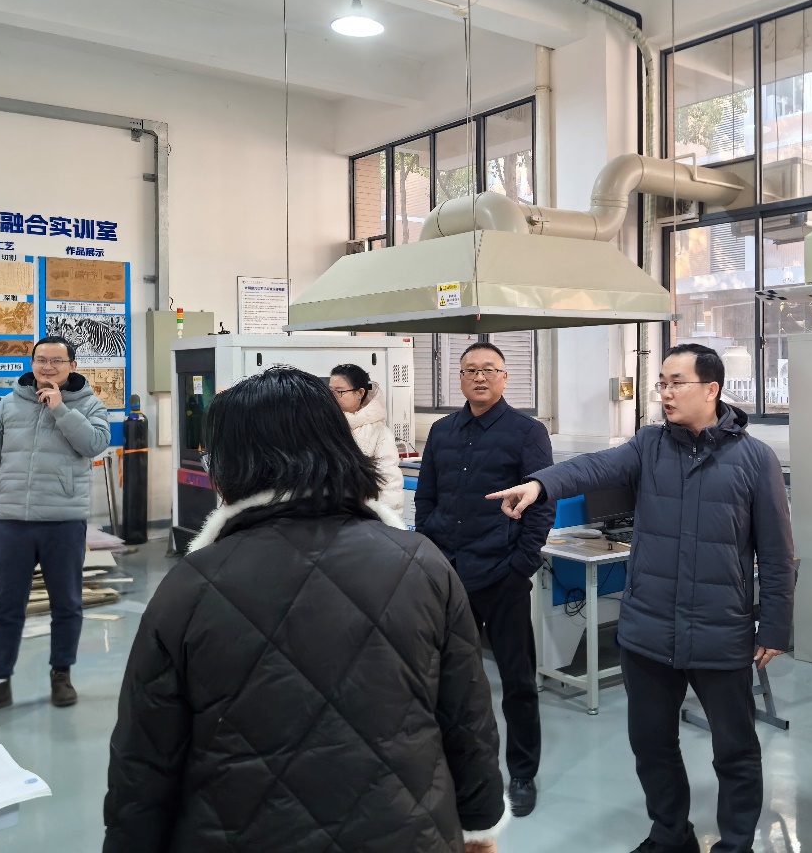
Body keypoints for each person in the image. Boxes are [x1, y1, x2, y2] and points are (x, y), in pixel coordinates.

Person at [103, 366, 509, 853]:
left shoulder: (189, 586)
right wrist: (479, 826)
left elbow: (145, 758)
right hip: (407, 831)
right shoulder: (421, 564)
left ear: (233, 464)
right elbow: (467, 719)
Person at [489, 343, 794, 853]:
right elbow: (592, 468)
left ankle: (736, 844)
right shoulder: (649, 445)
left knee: (735, 750)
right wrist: (541, 485)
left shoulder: (754, 459)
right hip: (648, 630)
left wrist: (777, 625)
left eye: (677, 383)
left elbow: (778, 552)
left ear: (712, 389)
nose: (665, 393)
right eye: (662, 383)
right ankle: (670, 836)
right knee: (651, 745)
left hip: (719, 630)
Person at [415, 341, 554, 818]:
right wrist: (429, 548)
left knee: (517, 680)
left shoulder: (527, 432)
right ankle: (462, 769)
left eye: (489, 370)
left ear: (504, 377)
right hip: (449, 573)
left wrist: (520, 566)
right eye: (470, 370)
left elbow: (542, 504)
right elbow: (427, 497)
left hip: (501, 575)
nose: (479, 377)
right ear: (459, 377)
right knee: (452, 679)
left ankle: (522, 773)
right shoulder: (442, 431)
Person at [0, 336, 110, 722]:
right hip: (12, 524)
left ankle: (62, 674)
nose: (47, 367)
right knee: (6, 606)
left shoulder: (90, 404)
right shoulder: (9, 404)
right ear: (32, 362)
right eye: (41, 359)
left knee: (67, 604)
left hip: (63, 522)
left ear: (72, 365)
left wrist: (61, 409)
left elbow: (94, 445)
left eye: (56, 360)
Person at [330, 363, 404, 514]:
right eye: (330, 391)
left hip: (363, 517)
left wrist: (386, 522)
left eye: (339, 391)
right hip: (327, 516)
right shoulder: (324, 425)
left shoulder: (380, 433)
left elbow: (389, 486)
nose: (332, 397)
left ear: (359, 393)